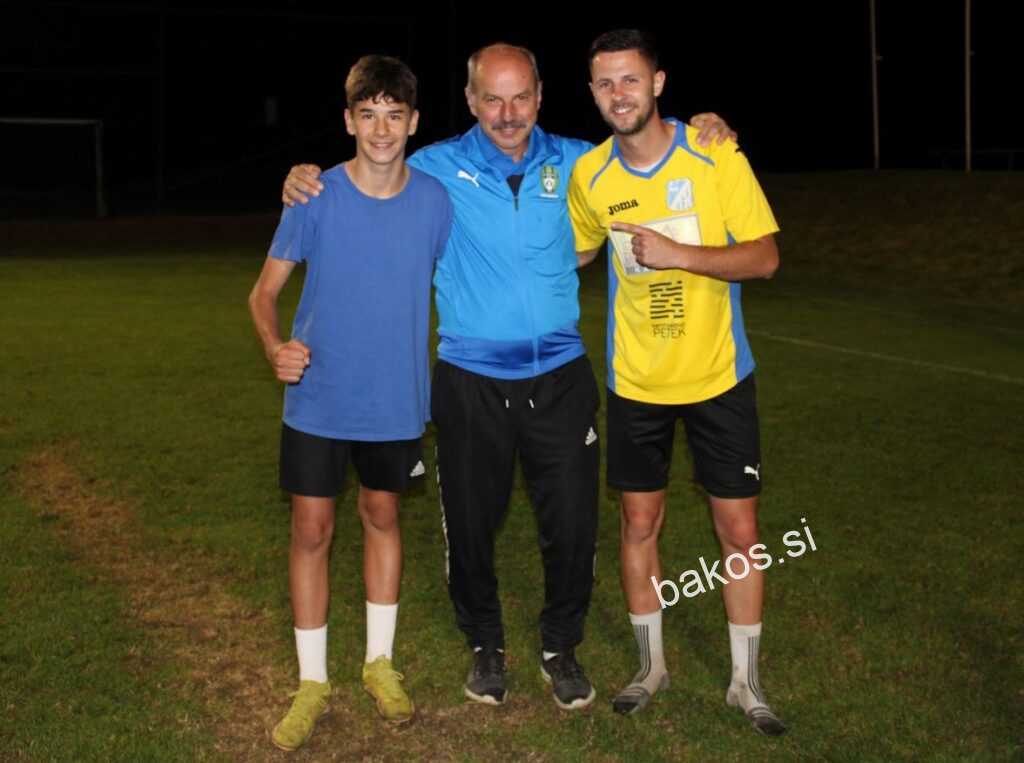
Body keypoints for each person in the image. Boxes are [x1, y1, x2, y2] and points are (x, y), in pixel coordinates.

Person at [281, 43, 734, 711]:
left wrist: (700, 128)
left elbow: (647, 150)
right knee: (470, 525)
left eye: (521, 97)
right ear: (469, 101)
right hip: (470, 377)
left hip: (560, 374)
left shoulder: (581, 161)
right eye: (491, 98)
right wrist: (302, 177)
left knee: (572, 524)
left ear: (541, 96)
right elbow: (366, 171)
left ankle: (561, 647)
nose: (507, 113)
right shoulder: (433, 168)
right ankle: (485, 645)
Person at [568, 29, 786, 735]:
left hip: (719, 375)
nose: (619, 95)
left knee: (740, 530)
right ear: (593, 92)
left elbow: (764, 258)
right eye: (605, 83)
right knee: (639, 523)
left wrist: (678, 253)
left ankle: (746, 682)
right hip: (637, 382)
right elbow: (572, 252)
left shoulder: (713, 152)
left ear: (658, 83)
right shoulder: (590, 175)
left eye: (630, 79)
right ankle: (649, 666)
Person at [248, 55, 453, 751]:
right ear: (348, 120)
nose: (381, 129)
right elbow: (263, 293)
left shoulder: (435, 202)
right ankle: (312, 680)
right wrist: (275, 347)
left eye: (394, 115)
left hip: (395, 398)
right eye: (368, 115)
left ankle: (378, 663)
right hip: (319, 397)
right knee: (311, 529)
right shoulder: (314, 196)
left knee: (382, 515)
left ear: (414, 122)